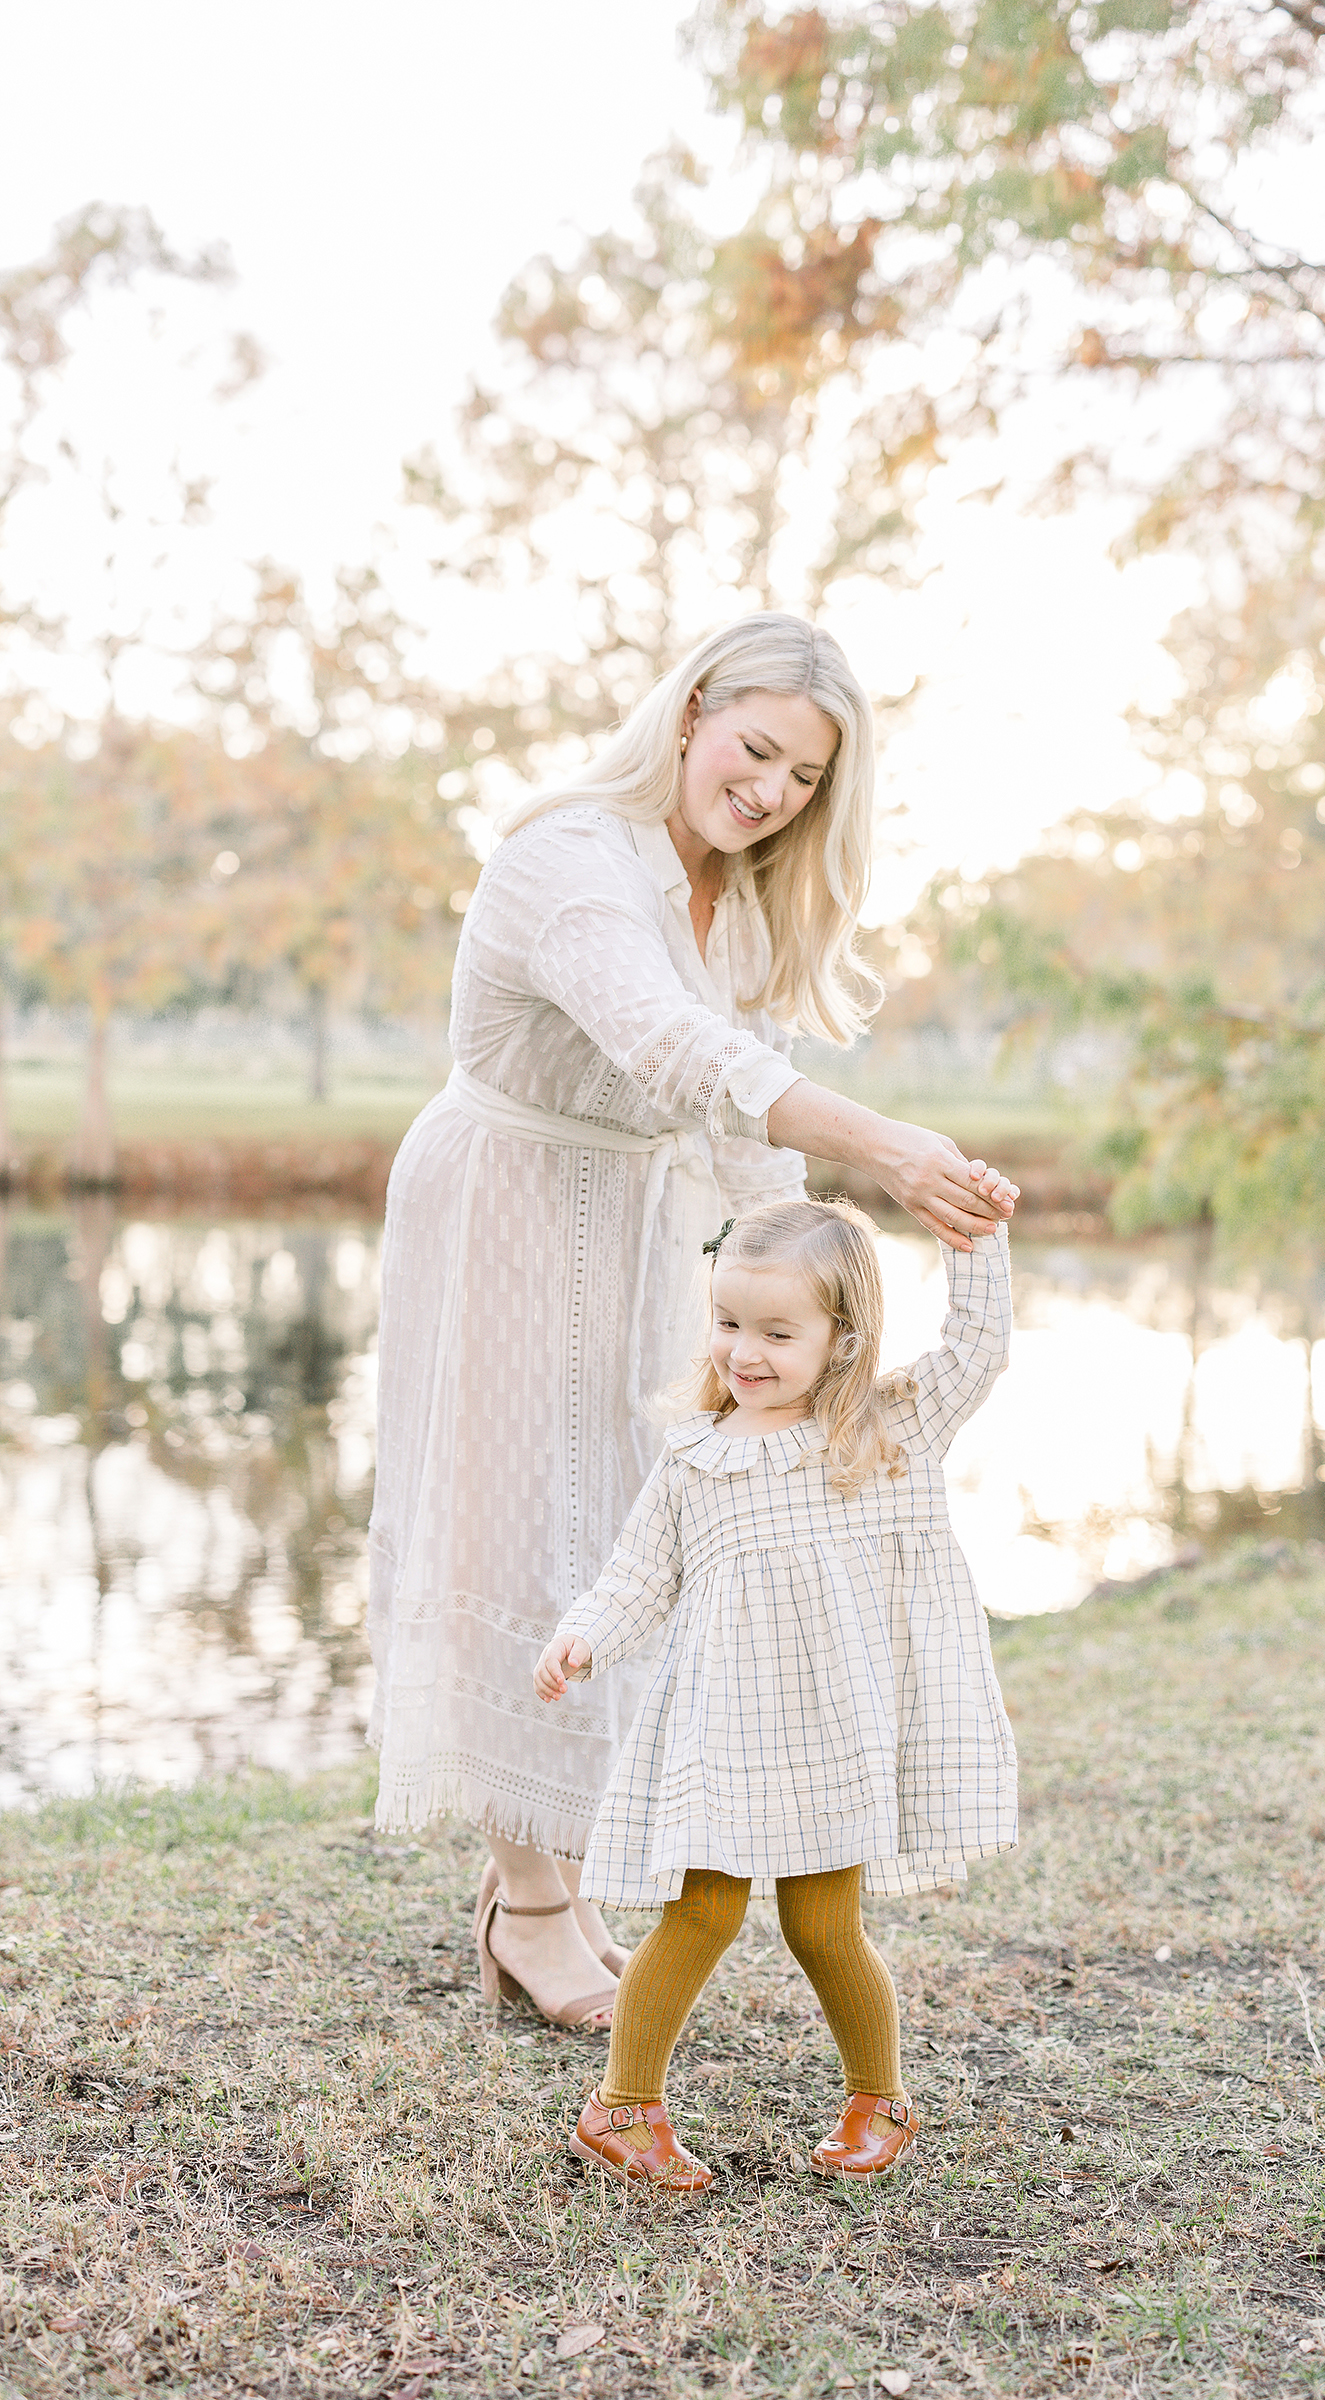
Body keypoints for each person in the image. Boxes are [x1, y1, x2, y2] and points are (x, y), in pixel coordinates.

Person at [367, 613, 1016, 2032]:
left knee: (621, 1529)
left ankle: (553, 1888)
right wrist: (896, 1150)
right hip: (508, 1209)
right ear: (693, 712)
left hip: (647, 1230)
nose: (774, 788)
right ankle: (529, 1901)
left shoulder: (739, 892)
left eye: (805, 776)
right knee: (513, 1525)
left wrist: (818, 1310)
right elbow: (680, 1052)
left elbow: (744, 1141)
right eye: (759, 747)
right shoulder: (570, 863)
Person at [533, 1195, 1018, 2186]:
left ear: (843, 1338)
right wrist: (583, 1636)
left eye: (776, 1332)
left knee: (824, 1924)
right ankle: (621, 2107)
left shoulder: (888, 1432)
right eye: (726, 1323)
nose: (741, 1352)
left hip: (835, 1738)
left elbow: (977, 1345)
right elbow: (637, 1578)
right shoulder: (695, 1460)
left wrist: (974, 1235)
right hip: (728, 1736)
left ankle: (877, 2098)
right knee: (700, 1913)